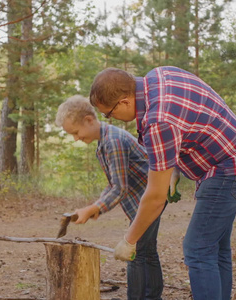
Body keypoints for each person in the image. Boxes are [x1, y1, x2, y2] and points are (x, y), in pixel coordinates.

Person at [89, 66, 236, 300]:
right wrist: (175, 168)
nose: (111, 119)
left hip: (229, 166)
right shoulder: (158, 76)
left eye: (109, 113)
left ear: (124, 102)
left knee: (198, 249)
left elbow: (155, 197)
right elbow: (193, 118)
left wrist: (130, 240)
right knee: (215, 246)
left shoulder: (157, 121)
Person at [55, 95, 167, 300]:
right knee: (147, 251)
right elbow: (114, 184)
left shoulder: (113, 141)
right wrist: (96, 207)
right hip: (141, 203)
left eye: (76, 132)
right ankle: (153, 297)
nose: (76, 138)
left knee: (134, 252)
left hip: (149, 202)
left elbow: (120, 189)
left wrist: (94, 208)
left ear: (89, 120)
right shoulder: (104, 141)